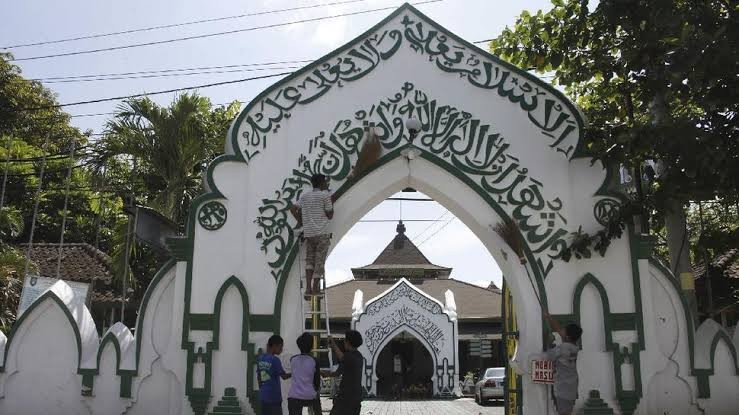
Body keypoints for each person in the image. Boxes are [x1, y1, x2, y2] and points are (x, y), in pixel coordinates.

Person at [290, 173, 333, 299]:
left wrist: (302, 221)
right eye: (325, 182)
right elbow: (330, 215)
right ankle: (315, 289)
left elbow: (293, 209)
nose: (326, 184)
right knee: (319, 261)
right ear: (321, 183)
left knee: (310, 261)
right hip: (322, 234)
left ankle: (308, 288)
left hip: (309, 234)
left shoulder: (305, 196)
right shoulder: (325, 196)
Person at [543, 312, 583, 415]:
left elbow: (548, 357)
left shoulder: (562, 349)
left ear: (568, 337)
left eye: (564, 331)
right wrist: (549, 318)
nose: (562, 331)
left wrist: (549, 342)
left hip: (563, 390)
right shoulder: (575, 346)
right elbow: (560, 330)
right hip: (572, 388)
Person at [321, 330, 364, 415]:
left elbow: (342, 360)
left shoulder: (350, 356)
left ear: (348, 342)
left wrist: (333, 344)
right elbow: (339, 369)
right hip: (355, 396)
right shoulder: (358, 356)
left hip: (346, 397)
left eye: (345, 340)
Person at [287, 333, 322, 415]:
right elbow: (317, 383)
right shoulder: (314, 360)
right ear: (311, 346)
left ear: (299, 346)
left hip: (294, 396)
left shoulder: (292, 359)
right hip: (310, 396)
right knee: (317, 401)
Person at [257, 335, 291, 415]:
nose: (281, 349)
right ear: (275, 346)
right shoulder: (275, 360)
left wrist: (262, 390)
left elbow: (259, 377)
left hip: (263, 396)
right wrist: (295, 373)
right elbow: (284, 376)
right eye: (280, 347)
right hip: (274, 397)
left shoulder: (261, 358)